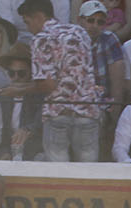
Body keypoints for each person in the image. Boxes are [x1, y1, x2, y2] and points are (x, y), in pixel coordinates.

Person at [19, 0, 102, 162]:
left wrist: (17, 90)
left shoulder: (41, 38)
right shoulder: (80, 32)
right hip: (87, 111)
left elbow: (48, 84)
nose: (28, 28)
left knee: (58, 172)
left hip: (58, 113)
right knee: (89, 173)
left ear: (38, 17)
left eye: (27, 22)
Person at [78, 0, 127, 138]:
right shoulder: (70, 40)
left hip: (101, 104)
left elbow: (117, 85)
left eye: (100, 22)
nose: (95, 25)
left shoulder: (109, 39)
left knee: (96, 119)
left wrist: (114, 117)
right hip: (74, 102)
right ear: (80, 20)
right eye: (90, 20)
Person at [0, 41, 42, 160]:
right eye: (11, 73)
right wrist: (4, 152)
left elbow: (42, 124)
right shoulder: (2, 96)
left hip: (35, 153)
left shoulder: (41, 96)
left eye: (21, 73)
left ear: (31, 73)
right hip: (9, 154)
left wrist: (28, 129)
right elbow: (0, 132)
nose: (16, 78)